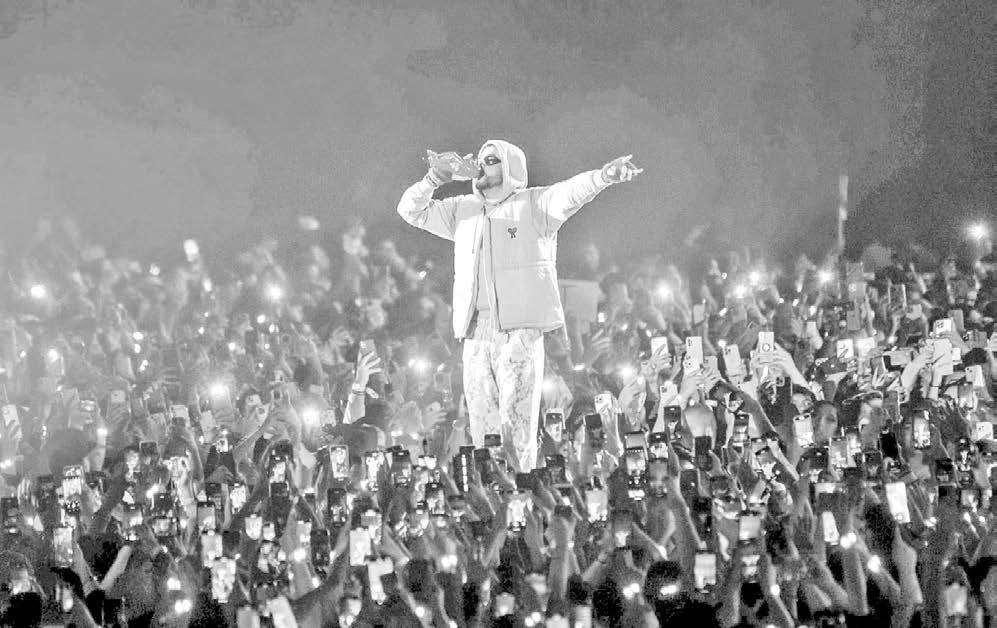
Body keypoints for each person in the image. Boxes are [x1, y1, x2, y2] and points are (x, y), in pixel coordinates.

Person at [397, 140, 641, 470]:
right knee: (482, 421)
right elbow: (410, 211)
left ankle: (520, 485)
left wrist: (604, 175)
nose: (481, 164)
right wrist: (433, 179)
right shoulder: (463, 209)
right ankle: (488, 483)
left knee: (516, 421)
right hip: (475, 331)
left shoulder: (533, 205)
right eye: (480, 159)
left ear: (510, 166)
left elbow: (572, 192)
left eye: (491, 159)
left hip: (520, 331)